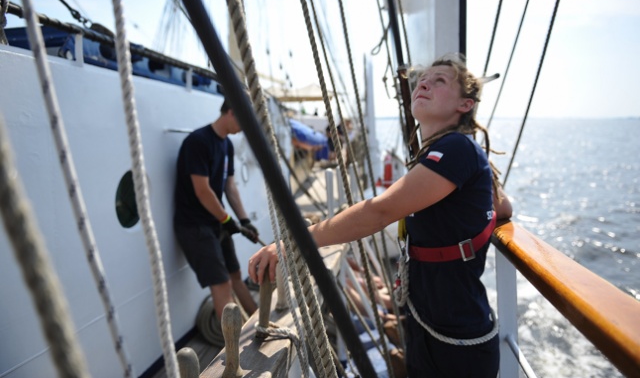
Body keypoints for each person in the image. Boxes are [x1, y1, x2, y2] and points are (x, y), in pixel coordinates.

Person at [248, 54, 512, 377]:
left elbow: (380, 211)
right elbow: (504, 208)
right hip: (431, 331)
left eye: (440, 80)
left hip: (456, 347)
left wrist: (297, 241)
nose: (424, 83)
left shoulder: (457, 149)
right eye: (423, 79)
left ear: (465, 105)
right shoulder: (451, 152)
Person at [174, 99, 259, 325]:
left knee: (236, 277)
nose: (244, 128)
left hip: (217, 222)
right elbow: (202, 191)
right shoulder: (198, 142)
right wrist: (227, 219)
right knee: (222, 285)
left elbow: (229, 186)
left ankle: (263, 324)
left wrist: (244, 220)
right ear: (231, 112)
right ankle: (237, 348)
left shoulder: (227, 145)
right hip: (194, 226)